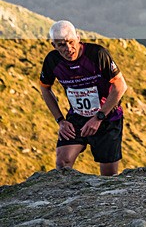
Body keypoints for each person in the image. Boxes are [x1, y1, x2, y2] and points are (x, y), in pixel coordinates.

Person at [39, 20, 128, 176]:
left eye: (71, 42)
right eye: (61, 45)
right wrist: (60, 120)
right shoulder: (52, 61)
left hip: (107, 118)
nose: (68, 49)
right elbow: (45, 89)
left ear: (78, 38)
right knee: (62, 163)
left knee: (108, 176)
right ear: (54, 46)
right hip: (77, 117)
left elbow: (120, 86)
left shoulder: (97, 54)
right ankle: (68, 198)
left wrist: (99, 117)